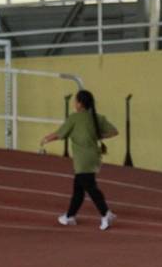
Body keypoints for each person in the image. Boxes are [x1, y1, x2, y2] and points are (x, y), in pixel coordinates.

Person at [38, 89, 120, 231]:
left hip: (82, 160)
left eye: (76, 101)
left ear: (80, 104)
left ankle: (106, 213)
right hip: (94, 157)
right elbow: (114, 131)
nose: (74, 103)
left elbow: (60, 134)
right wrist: (98, 136)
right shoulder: (97, 117)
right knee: (78, 189)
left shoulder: (74, 118)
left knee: (90, 187)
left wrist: (45, 139)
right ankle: (70, 216)